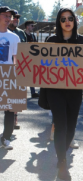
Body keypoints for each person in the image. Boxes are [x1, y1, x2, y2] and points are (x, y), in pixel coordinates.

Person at [45, 7, 83, 180]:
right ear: (59, 22)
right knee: (61, 124)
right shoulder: (51, 40)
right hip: (54, 91)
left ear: (74, 20)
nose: (67, 22)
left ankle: (63, 153)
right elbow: (43, 64)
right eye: (63, 19)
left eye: (70, 18)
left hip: (75, 90)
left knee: (71, 126)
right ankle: (61, 159)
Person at [0, 6, 20, 150]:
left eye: (9, 16)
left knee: (10, 110)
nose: (8, 19)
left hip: (8, 76)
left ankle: (6, 138)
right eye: (5, 15)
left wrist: (17, 77)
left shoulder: (14, 37)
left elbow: (17, 59)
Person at [8, 10, 26, 130]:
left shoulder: (21, 33)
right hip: (4, 67)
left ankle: (14, 119)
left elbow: (25, 49)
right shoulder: (3, 32)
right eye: (14, 17)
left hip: (17, 68)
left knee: (14, 95)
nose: (16, 19)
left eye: (17, 18)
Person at [24, 20, 39, 98]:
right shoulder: (23, 35)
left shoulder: (33, 36)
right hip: (23, 58)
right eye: (32, 26)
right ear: (27, 26)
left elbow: (36, 47)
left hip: (32, 59)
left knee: (31, 75)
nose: (33, 27)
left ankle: (33, 92)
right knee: (22, 75)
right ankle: (20, 92)